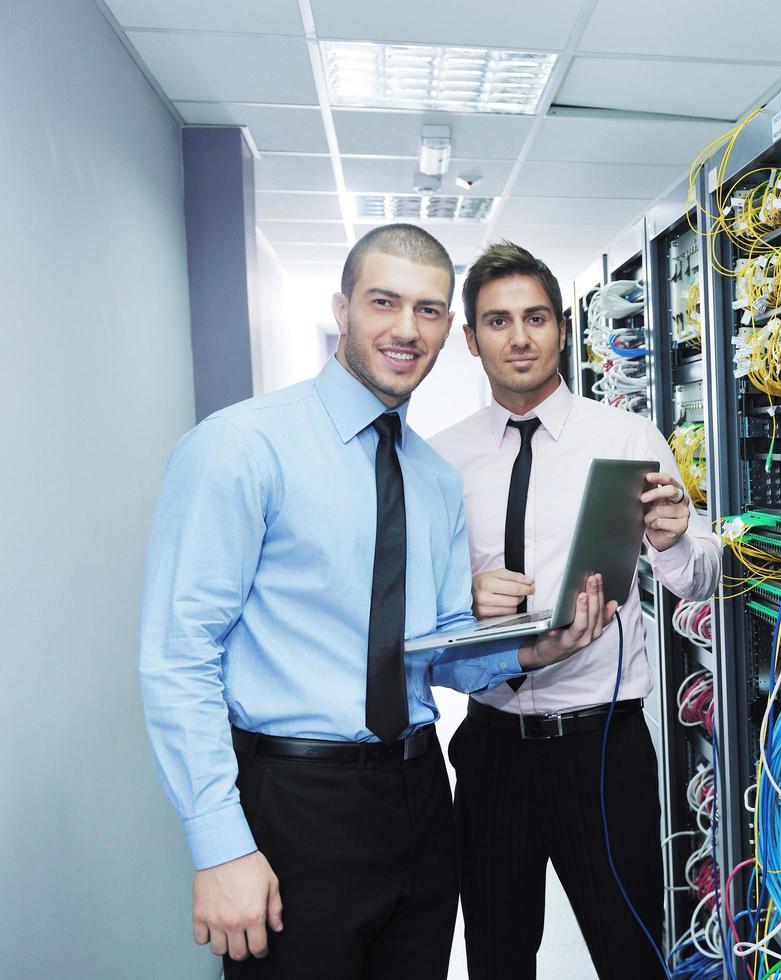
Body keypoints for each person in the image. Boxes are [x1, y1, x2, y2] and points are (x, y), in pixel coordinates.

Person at [138, 224, 618, 979]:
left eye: (428, 310)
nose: (406, 329)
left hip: (422, 796)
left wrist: (531, 651)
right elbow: (178, 656)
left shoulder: (430, 476)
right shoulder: (241, 446)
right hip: (296, 800)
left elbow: (434, 647)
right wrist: (220, 843)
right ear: (342, 307)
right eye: (383, 302)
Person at [431, 242, 721, 977]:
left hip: (603, 748)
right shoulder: (438, 460)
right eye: (497, 321)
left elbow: (696, 585)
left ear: (562, 327)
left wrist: (681, 536)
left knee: (632, 953)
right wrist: (460, 601)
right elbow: (418, 617)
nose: (519, 337)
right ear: (471, 338)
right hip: (492, 745)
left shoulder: (625, 438)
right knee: (497, 955)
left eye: (534, 318)